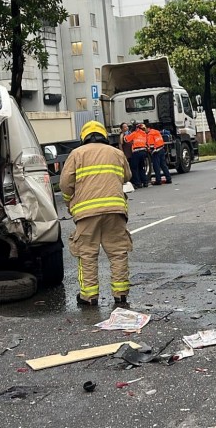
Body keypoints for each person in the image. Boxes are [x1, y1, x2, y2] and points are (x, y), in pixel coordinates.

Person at [61, 121, 133, 307]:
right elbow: (127, 176)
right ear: (103, 135)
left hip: (87, 213)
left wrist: (69, 201)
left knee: (87, 253)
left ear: (84, 137)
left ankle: (89, 296)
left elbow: (65, 184)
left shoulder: (77, 154)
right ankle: (120, 294)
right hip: (115, 210)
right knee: (118, 252)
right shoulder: (116, 153)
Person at [145, 120, 172, 185]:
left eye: (145, 129)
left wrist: (148, 149)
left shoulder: (150, 134)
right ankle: (168, 178)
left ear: (148, 128)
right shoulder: (156, 132)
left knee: (156, 166)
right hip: (161, 149)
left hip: (155, 151)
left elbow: (151, 145)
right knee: (163, 165)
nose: (144, 130)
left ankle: (158, 180)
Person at [125, 122, 150, 188]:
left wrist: (126, 134)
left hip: (137, 152)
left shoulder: (135, 133)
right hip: (144, 152)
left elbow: (126, 140)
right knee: (141, 167)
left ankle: (137, 183)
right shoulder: (144, 134)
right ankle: (145, 182)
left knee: (134, 168)